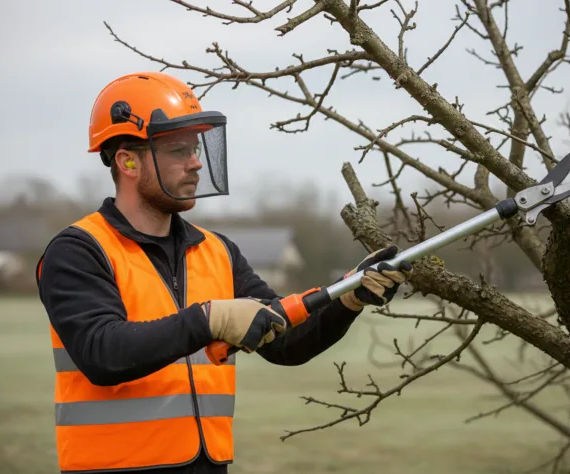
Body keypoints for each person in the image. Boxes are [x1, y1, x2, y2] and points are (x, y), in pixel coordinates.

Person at [35, 71, 413, 474]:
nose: (196, 163)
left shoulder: (216, 251)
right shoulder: (78, 250)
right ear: (128, 160)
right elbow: (102, 353)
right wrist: (208, 318)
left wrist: (347, 297)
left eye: (196, 149)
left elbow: (284, 342)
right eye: (179, 150)